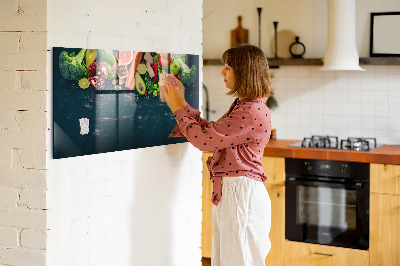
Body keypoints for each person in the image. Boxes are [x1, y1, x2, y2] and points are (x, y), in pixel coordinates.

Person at [161, 44, 273, 266]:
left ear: (244, 72)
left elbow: (204, 141)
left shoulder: (250, 111)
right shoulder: (246, 106)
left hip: (241, 195)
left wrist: (176, 108)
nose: (222, 72)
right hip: (236, 193)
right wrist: (182, 103)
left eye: (228, 67)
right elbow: (212, 133)